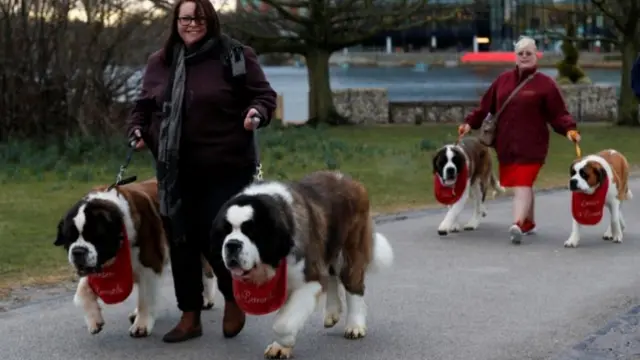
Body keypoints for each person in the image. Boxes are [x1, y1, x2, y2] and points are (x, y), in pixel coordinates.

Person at [126, 0, 277, 343]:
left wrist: (256, 112)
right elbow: (144, 106)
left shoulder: (236, 55)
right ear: (175, 21)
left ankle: (233, 299)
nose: (192, 23)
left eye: (199, 17)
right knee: (181, 240)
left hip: (226, 166)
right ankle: (189, 315)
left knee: (217, 238)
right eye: (185, 18)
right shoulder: (160, 62)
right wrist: (136, 129)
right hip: (173, 170)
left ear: (211, 19)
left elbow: (264, 95)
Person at [458, 36, 581, 245]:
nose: (524, 57)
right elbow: (485, 107)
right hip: (507, 145)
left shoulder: (545, 84)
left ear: (536, 56)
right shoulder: (502, 81)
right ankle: (529, 222)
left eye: (529, 53)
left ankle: (517, 223)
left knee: (523, 183)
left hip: (533, 146)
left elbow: (558, 113)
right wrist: (470, 123)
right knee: (522, 184)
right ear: (515, 57)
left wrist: (569, 129)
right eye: (521, 53)